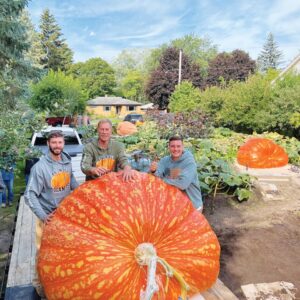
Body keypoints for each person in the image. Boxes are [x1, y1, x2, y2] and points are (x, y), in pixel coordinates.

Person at [24, 130, 79, 298]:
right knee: (43, 253)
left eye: (60, 142)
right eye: (54, 143)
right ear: (48, 144)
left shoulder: (67, 162)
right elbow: (29, 194)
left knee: (62, 251)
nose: (57, 146)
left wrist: (83, 194)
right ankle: (39, 285)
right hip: (47, 217)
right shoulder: (40, 168)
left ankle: (58, 281)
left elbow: (72, 182)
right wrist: (43, 216)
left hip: (64, 218)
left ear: (63, 144)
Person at [150, 135, 203, 212]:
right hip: (175, 205)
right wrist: (153, 171)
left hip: (192, 206)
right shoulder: (165, 160)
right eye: (172, 146)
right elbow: (156, 176)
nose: (175, 149)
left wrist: (162, 180)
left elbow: (182, 184)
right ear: (169, 147)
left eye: (178, 146)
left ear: (182, 147)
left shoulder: (189, 162)